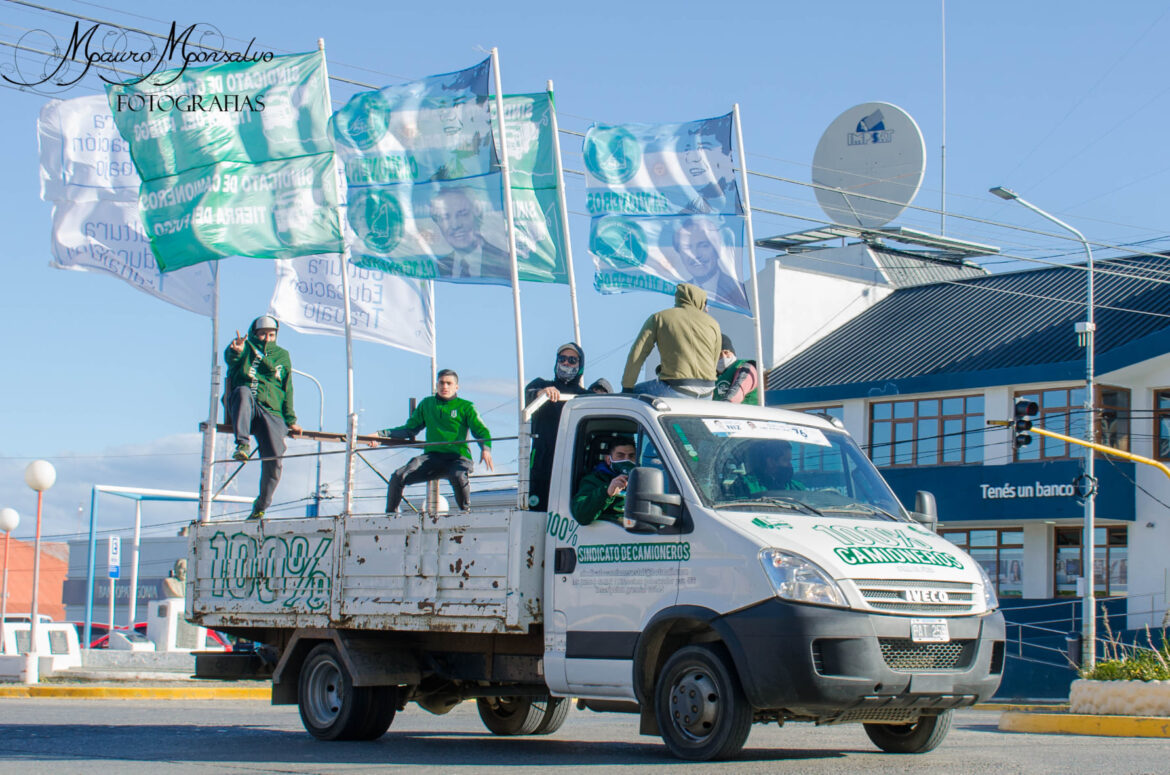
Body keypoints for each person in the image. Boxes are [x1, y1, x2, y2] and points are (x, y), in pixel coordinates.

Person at [375, 369, 494, 514]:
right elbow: (409, 429)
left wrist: (486, 449)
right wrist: (380, 435)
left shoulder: (466, 407)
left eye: (449, 383)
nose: (445, 387)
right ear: (437, 385)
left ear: (456, 387)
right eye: (441, 383)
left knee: (457, 476)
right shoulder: (427, 404)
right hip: (432, 458)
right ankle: (391, 514)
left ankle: (465, 512)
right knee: (398, 476)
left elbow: (481, 431)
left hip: (458, 457)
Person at [223, 315, 302, 521]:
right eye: (263, 333)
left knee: (274, 460)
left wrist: (291, 419)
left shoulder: (282, 355)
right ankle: (242, 445)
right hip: (247, 405)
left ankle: (260, 507)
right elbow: (232, 361)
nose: (267, 337)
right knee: (242, 391)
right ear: (255, 333)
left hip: (272, 412)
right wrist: (236, 352)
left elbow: (287, 387)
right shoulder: (246, 347)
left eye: (271, 334)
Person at [621, 283, 721, 398]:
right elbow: (714, 359)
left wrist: (627, 387)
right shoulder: (714, 324)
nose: (706, 309)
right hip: (707, 392)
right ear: (698, 301)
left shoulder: (659, 318)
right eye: (705, 303)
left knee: (633, 394)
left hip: (676, 388)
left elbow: (637, 354)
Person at [524, 344, 588, 510]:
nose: (566, 363)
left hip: (574, 465)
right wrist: (542, 392)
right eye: (562, 359)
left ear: (580, 365)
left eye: (572, 360)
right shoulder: (541, 385)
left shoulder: (585, 396)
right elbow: (529, 393)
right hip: (542, 463)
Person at [429, 187, 510, 281]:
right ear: (437, 223)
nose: (455, 225)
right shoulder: (437, 269)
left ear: (477, 214)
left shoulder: (505, 263)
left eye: (463, 214)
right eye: (445, 217)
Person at [672, 217, 750, 311]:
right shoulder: (680, 295)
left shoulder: (738, 292)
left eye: (703, 246)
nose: (695, 255)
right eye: (687, 248)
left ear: (717, 249)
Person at [571, 436, 636, 526]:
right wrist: (607, 492)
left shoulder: (641, 480)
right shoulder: (593, 480)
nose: (627, 460)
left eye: (631, 456)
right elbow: (581, 516)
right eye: (620, 456)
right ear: (608, 459)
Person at [738, 440, 803, 495]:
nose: (790, 465)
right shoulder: (745, 484)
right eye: (785, 460)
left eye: (790, 460)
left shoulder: (796, 487)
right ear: (770, 461)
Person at [713, 335, 759, 404]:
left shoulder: (744, 368)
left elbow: (737, 392)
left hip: (744, 413)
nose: (723, 357)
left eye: (726, 352)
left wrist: (724, 406)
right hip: (720, 413)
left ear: (732, 352)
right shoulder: (713, 375)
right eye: (719, 354)